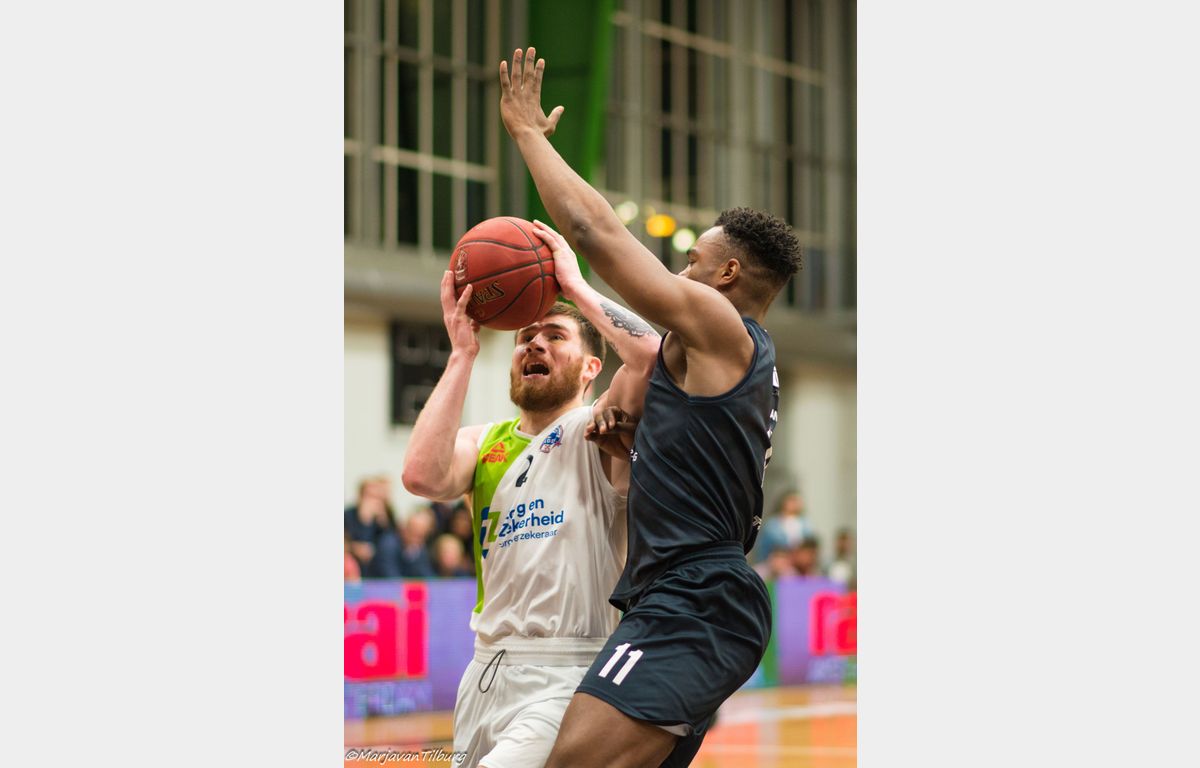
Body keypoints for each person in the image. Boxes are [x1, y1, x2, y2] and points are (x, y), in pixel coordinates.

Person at [499, 47, 803, 767]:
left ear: (728, 274)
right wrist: (631, 450)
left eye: (692, 261)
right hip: (680, 593)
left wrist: (527, 134)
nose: (678, 271)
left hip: (697, 597)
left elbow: (596, 232)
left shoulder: (723, 327)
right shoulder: (712, 356)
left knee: (571, 762)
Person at [400, 222, 660, 768]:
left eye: (555, 337)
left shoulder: (600, 427)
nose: (534, 343)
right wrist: (462, 354)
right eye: (525, 338)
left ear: (592, 368)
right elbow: (421, 476)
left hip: (568, 668)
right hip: (484, 669)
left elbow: (652, 356)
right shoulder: (484, 442)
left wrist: (576, 286)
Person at [755, 490, 812, 562]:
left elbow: (809, 543)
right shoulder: (772, 524)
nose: (794, 504)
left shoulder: (805, 523)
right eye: (792, 500)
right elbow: (764, 546)